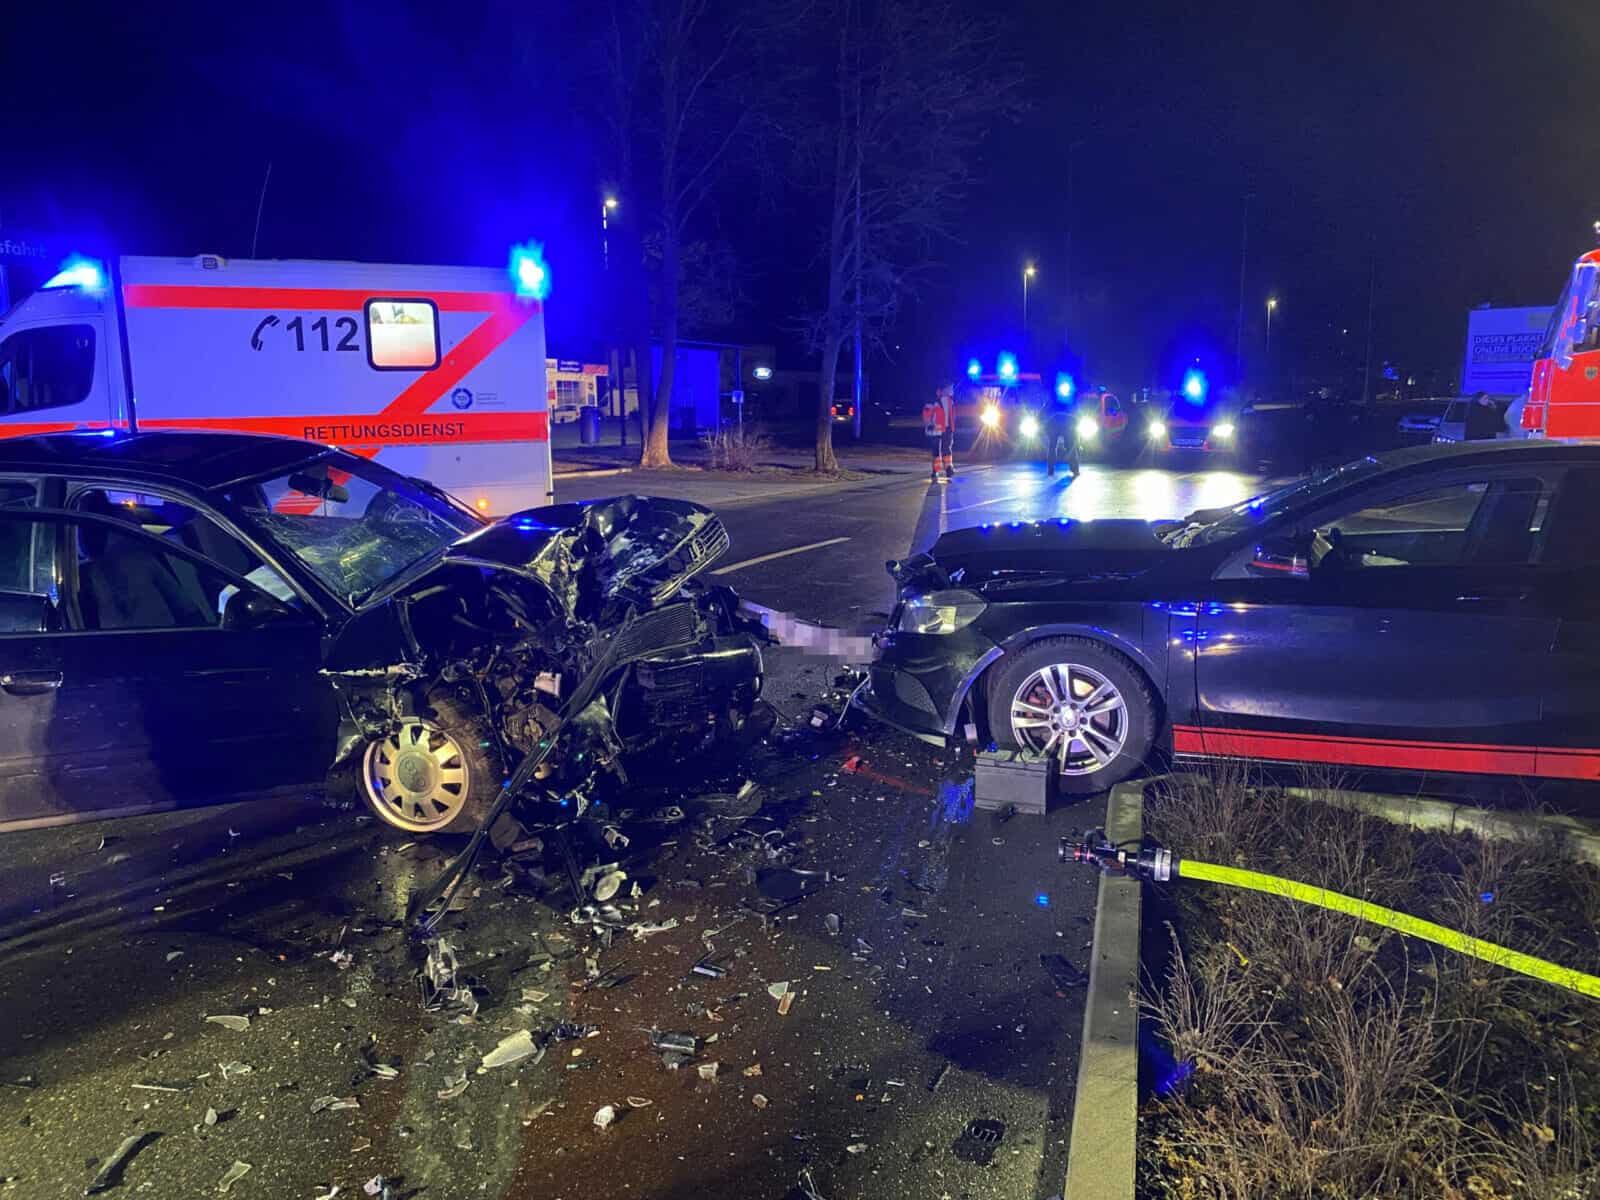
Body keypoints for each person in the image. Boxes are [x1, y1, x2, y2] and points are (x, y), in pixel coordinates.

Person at [923, 383, 955, 481]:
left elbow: (951, 415)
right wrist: (929, 424)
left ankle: (948, 468)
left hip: (947, 429)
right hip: (935, 430)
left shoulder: (950, 401)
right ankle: (935, 471)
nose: (951, 390)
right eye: (949, 388)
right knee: (936, 451)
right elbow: (927, 414)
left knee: (947, 449)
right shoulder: (932, 401)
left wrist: (952, 427)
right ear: (942, 390)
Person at [1045, 391, 1081, 478]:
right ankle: (1074, 468)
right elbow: (1077, 412)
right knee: (1067, 445)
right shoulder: (1069, 401)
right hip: (1062, 424)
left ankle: (1051, 468)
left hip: (1058, 423)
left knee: (1054, 445)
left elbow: (1044, 411)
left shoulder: (1054, 401)